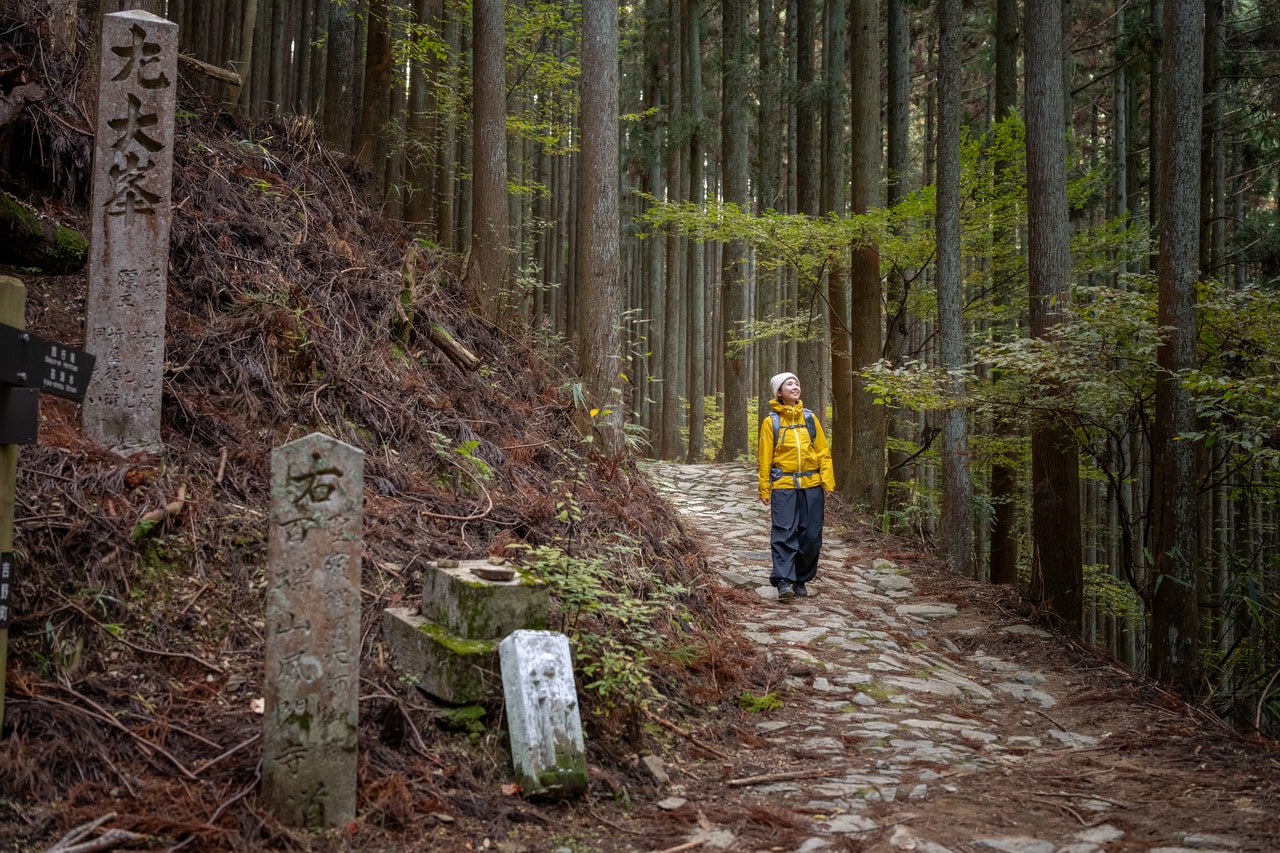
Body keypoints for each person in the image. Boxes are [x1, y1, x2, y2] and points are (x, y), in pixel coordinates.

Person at [757, 372, 835, 600]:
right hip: (784, 485)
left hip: (812, 485)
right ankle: (783, 581)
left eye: (797, 383)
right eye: (789, 384)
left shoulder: (810, 419)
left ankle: (801, 578)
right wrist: (764, 488)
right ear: (779, 393)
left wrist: (828, 480)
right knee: (783, 533)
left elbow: (822, 451)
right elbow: (764, 457)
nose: (795, 386)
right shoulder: (771, 422)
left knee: (811, 536)